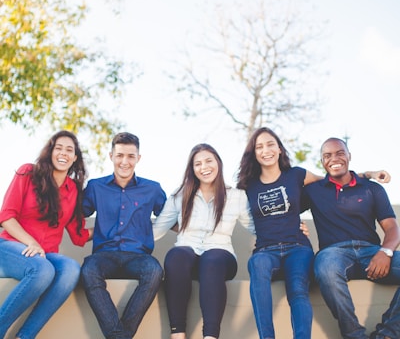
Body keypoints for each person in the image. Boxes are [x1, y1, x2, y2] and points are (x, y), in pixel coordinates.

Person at [236, 127, 389, 339]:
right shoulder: (247, 186)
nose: (266, 150)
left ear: (280, 149)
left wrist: (368, 174)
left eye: (271, 144)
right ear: (253, 153)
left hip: (297, 247)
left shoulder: (297, 175)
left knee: (298, 289)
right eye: (259, 147)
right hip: (265, 250)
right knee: (257, 266)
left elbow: (333, 178)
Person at [152, 143, 256, 339]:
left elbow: (255, 227)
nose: (204, 167)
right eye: (197, 163)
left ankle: (210, 336)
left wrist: (289, 229)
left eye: (208, 161)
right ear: (192, 169)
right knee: (176, 255)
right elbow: (158, 229)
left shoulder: (236, 196)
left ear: (218, 162)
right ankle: (177, 333)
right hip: (186, 256)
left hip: (221, 257)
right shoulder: (180, 195)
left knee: (212, 259)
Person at [302, 137, 400, 339]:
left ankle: (388, 333)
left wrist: (385, 252)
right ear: (322, 162)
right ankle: (354, 335)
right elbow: (283, 204)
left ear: (349, 156)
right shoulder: (313, 190)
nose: (334, 159)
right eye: (327, 155)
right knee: (326, 270)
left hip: (371, 252)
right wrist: (295, 225)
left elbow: (392, 228)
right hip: (333, 254)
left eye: (339, 153)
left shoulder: (372, 188)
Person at [0, 130, 91, 339]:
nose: (63, 153)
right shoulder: (27, 173)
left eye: (69, 150)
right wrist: (31, 242)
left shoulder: (74, 190)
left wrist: (116, 229)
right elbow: (6, 216)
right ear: (50, 151)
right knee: (42, 270)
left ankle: (25, 336)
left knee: (70, 269)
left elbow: (79, 235)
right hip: (10, 246)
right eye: (58, 148)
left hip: (45, 254)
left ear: (75, 157)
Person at [80, 132, 167, 339]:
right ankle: (121, 336)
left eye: (130, 156)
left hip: (138, 256)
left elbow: (172, 218)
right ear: (111, 156)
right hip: (104, 255)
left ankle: (119, 335)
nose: (124, 162)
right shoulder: (95, 186)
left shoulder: (152, 189)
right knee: (88, 270)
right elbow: (75, 214)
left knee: (154, 271)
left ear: (138, 158)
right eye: (119, 155)